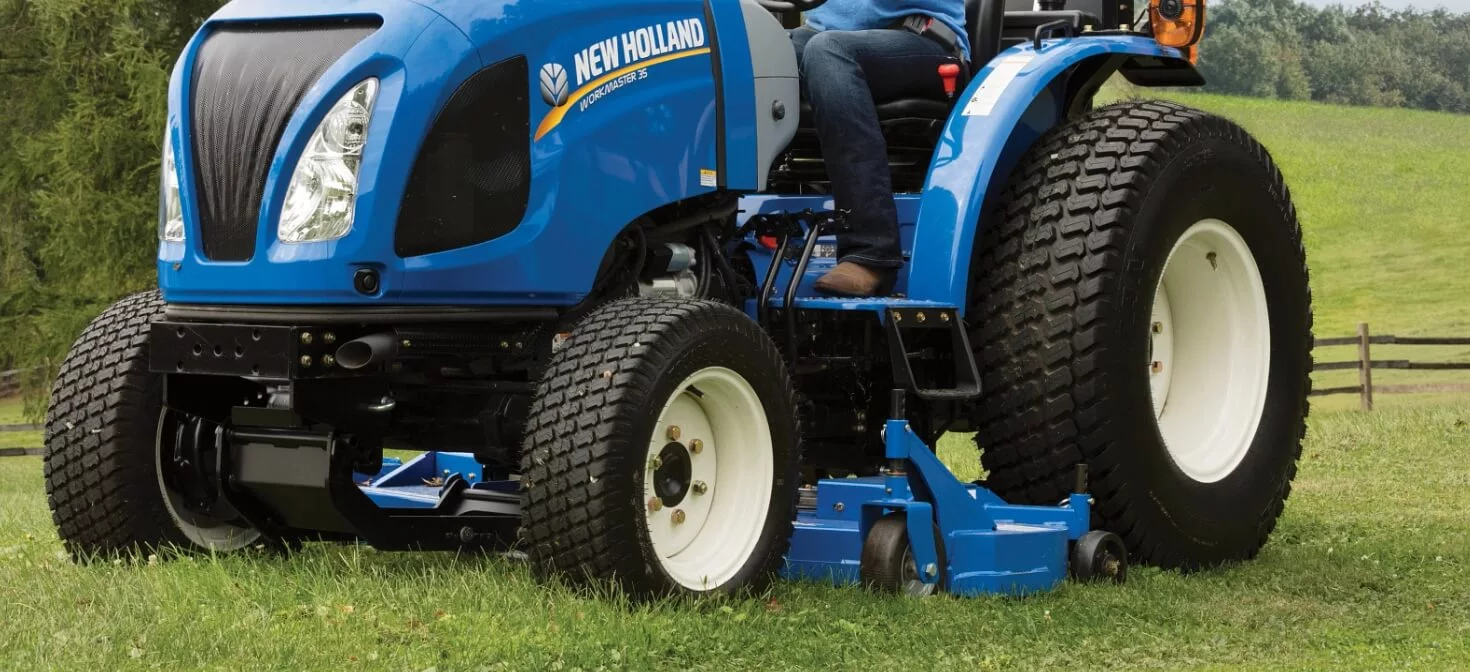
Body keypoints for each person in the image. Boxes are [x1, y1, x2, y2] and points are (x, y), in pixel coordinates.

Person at [792, 1, 970, 297]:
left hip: (919, 38)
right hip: (823, 37)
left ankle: (871, 252)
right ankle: (712, 226)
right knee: (748, 52)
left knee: (828, 51)